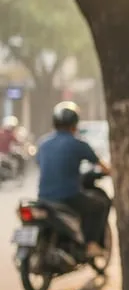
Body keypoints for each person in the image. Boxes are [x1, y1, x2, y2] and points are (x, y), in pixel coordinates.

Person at [36, 102, 111, 257]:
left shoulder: (43, 144)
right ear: (75, 124)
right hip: (68, 196)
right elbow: (102, 166)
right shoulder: (78, 144)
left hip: (43, 197)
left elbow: (40, 164)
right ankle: (91, 244)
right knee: (100, 205)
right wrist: (112, 172)